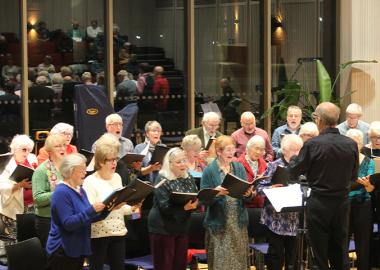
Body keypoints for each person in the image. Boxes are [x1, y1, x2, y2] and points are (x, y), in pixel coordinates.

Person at [288, 102, 358, 270]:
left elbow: (294, 171)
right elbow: (353, 176)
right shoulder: (351, 144)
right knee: (340, 250)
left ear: (319, 120)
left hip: (319, 203)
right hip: (342, 203)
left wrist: (292, 160)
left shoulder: (313, 145)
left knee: (319, 254)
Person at [83, 134, 140, 270]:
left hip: (118, 231)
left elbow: (121, 206)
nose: (115, 163)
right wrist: (111, 208)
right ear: (101, 162)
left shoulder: (117, 177)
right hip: (99, 234)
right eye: (110, 160)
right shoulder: (90, 181)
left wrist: (132, 208)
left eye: (115, 159)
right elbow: (91, 212)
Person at [46, 153, 107, 270]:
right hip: (63, 250)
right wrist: (91, 210)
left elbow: (88, 217)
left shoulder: (80, 190)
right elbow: (68, 224)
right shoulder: (61, 192)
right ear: (70, 171)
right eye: (82, 170)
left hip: (77, 247)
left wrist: (107, 209)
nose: (85, 173)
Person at [200, 135, 252, 270]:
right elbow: (203, 199)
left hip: (237, 220)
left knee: (239, 260)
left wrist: (249, 194)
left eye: (233, 150)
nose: (231, 153)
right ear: (219, 151)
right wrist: (216, 193)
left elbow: (246, 194)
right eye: (228, 150)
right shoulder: (209, 171)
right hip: (219, 221)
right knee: (221, 261)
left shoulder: (239, 167)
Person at [258, 134, 303, 270]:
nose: (297, 153)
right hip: (275, 220)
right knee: (276, 257)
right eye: (294, 150)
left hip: (293, 221)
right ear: (284, 150)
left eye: (299, 150)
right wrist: (271, 188)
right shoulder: (274, 166)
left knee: (292, 259)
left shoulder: (301, 167)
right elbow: (259, 188)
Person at [148, 147, 198, 270]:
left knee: (180, 265)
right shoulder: (162, 179)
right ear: (169, 164)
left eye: (184, 160)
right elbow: (164, 207)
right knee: (164, 265)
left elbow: (195, 194)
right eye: (178, 162)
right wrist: (184, 208)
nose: (183, 164)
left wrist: (195, 203)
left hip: (181, 227)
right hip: (163, 228)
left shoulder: (188, 176)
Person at [0, 135, 38, 245]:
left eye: (29, 150)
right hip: (12, 209)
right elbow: (1, 186)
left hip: (31, 207)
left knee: (28, 239)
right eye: (24, 150)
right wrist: (20, 185)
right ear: (15, 150)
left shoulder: (31, 160)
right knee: (12, 241)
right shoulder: (6, 163)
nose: (27, 153)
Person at [345, 129, 374, 270]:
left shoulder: (369, 162)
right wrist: (358, 182)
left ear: (361, 144)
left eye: (356, 143)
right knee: (342, 242)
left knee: (362, 243)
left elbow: (369, 185)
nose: (353, 146)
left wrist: (356, 183)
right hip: (345, 205)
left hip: (363, 204)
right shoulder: (341, 161)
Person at [32, 134, 67, 248]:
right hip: (48, 221)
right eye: (58, 146)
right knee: (53, 259)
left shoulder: (69, 168)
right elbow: (38, 199)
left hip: (67, 219)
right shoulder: (41, 170)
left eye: (64, 145)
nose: (62, 148)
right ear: (50, 151)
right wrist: (59, 193)